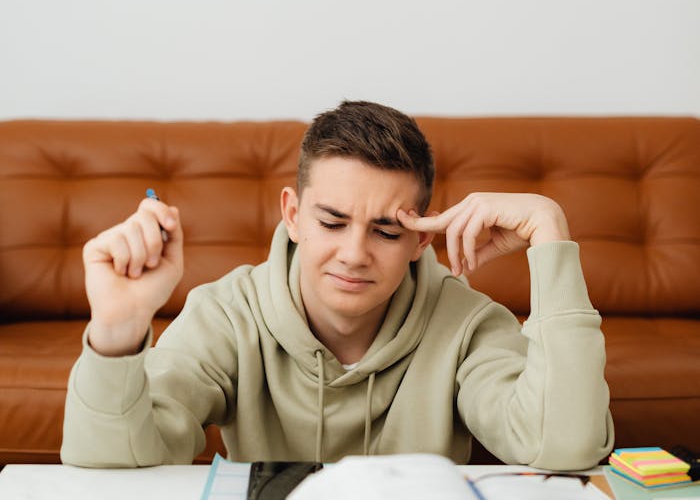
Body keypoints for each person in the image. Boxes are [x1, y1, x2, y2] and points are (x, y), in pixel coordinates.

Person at [60, 100, 614, 470]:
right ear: (292, 215)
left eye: (386, 230)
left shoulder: (466, 323)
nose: (354, 254)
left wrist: (550, 232)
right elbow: (115, 467)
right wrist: (117, 330)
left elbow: (561, 447)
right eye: (331, 222)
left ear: (421, 241)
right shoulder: (227, 313)